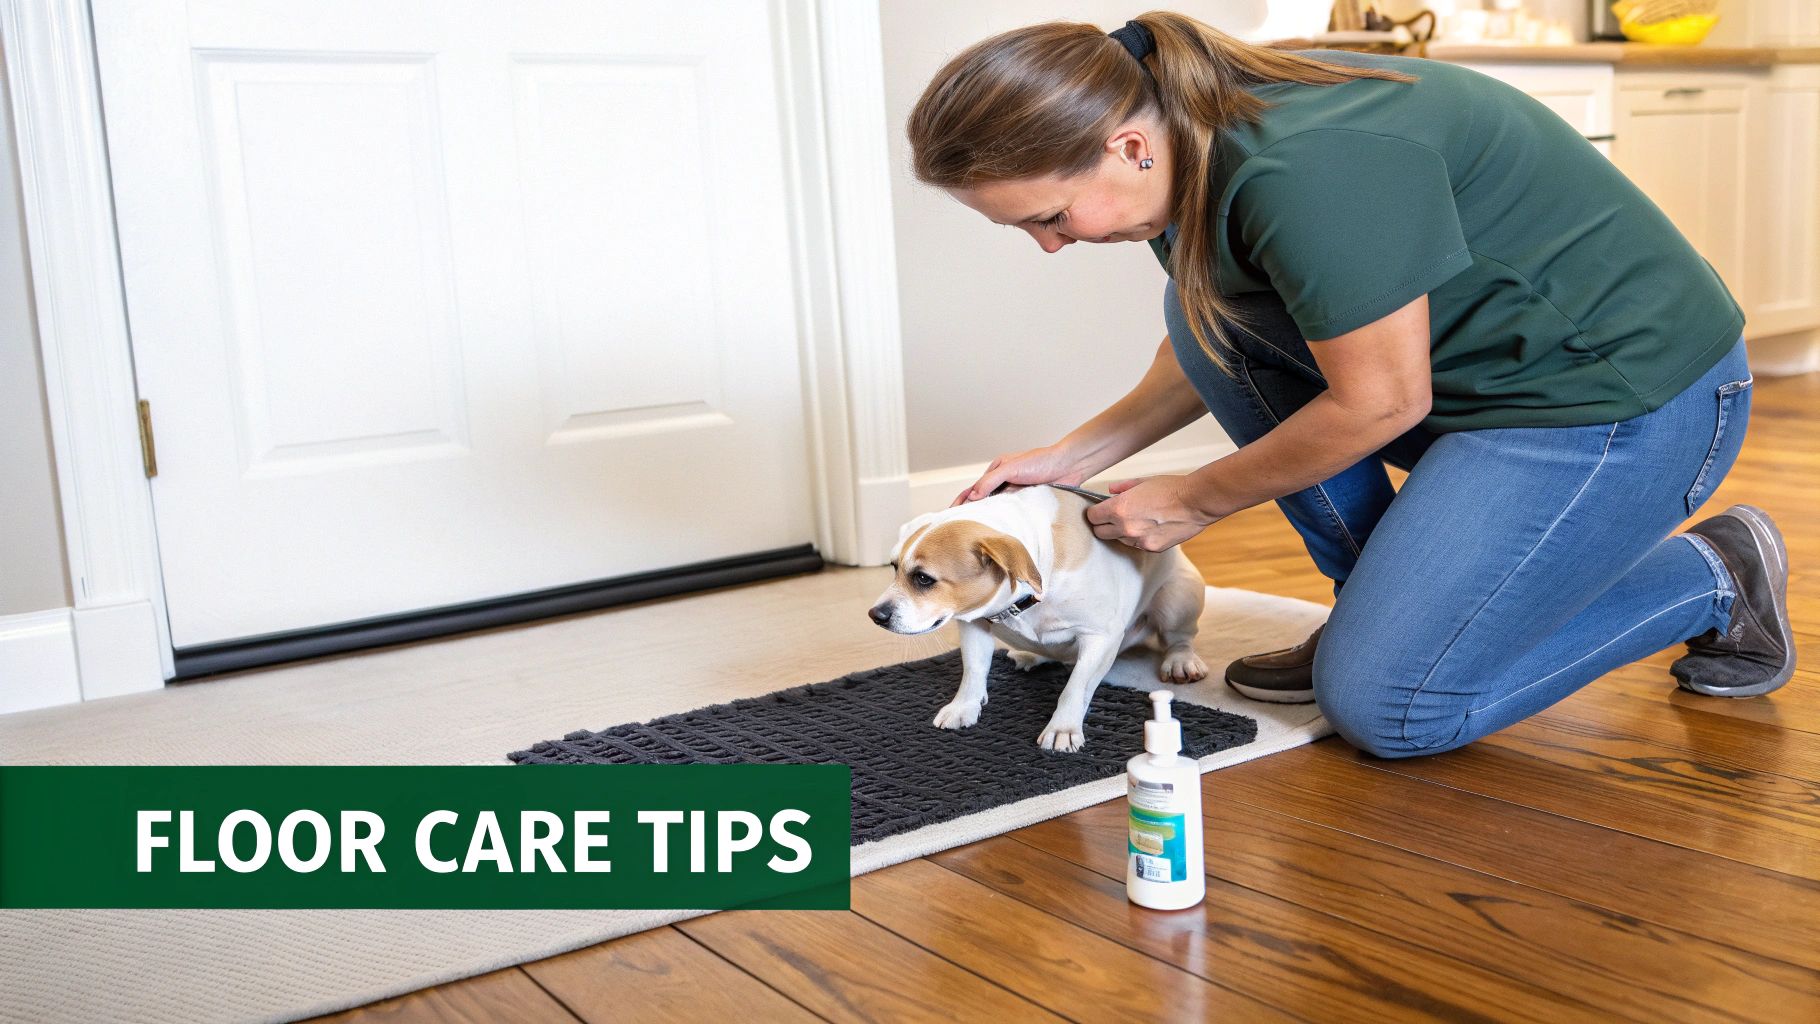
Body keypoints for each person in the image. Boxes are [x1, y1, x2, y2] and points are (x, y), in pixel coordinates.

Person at [911, 12, 1794, 758]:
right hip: (1472, 388)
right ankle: (1378, 611)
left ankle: (1715, 573)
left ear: (1127, 145)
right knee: (1206, 318)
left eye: (1051, 217)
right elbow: (1212, 338)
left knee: (1394, 707)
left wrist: (1195, 498)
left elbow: (1379, 402)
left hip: (1620, 404)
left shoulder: (1305, 167)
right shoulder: (1184, 148)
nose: (1053, 245)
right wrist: (1069, 459)